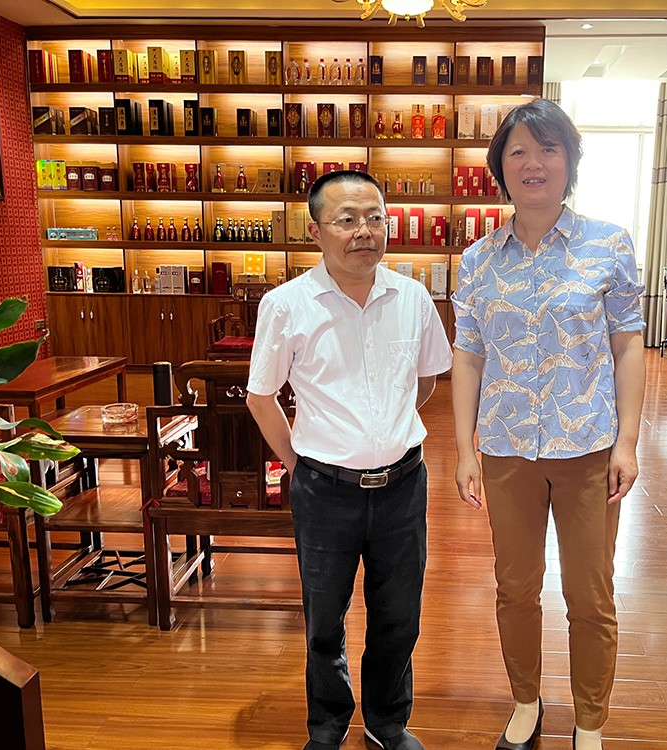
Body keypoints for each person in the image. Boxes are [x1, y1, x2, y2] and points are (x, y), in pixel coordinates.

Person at [450, 99, 646, 750]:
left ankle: (590, 722)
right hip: (507, 449)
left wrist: (628, 442)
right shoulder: (478, 261)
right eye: (518, 151)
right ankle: (526, 702)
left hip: (589, 449)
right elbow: (468, 356)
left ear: (570, 161)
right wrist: (465, 450)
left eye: (548, 149)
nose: (533, 163)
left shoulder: (608, 245)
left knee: (590, 595)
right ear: (500, 168)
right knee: (515, 589)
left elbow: (628, 345)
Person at [246, 169, 452, 750]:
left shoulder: (413, 298)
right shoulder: (286, 305)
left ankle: (387, 724)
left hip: (403, 485)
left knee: (399, 616)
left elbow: (425, 381)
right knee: (324, 618)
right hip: (324, 491)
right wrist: (301, 465)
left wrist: (386, 430)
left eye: (374, 217)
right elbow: (261, 397)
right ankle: (328, 725)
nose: (364, 230)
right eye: (347, 219)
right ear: (315, 231)